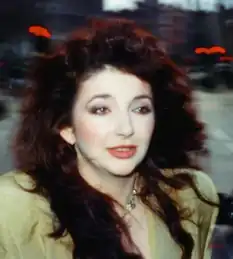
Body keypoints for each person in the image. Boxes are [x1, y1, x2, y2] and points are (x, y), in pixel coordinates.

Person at [0, 19, 219, 259]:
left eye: (140, 109)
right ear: (67, 127)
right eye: (101, 110)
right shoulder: (14, 210)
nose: (126, 129)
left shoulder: (190, 197)